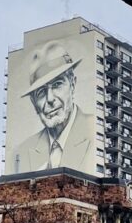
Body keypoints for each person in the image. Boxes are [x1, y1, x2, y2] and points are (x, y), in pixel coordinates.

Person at [9, 42, 95, 173]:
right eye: (41, 92)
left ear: (72, 84)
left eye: (57, 84)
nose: (50, 99)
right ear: (33, 102)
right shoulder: (21, 153)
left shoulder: (97, 134)